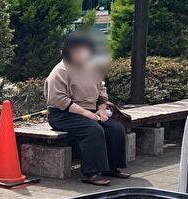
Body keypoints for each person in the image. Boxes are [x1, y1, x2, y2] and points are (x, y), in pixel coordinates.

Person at [45, 32, 131, 186]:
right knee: (93, 130)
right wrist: (86, 113)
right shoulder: (60, 70)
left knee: (116, 128)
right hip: (64, 114)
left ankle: (111, 168)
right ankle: (91, 173)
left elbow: (101, 91)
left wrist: (102, 109)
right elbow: (58, 99)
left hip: (91, 111)